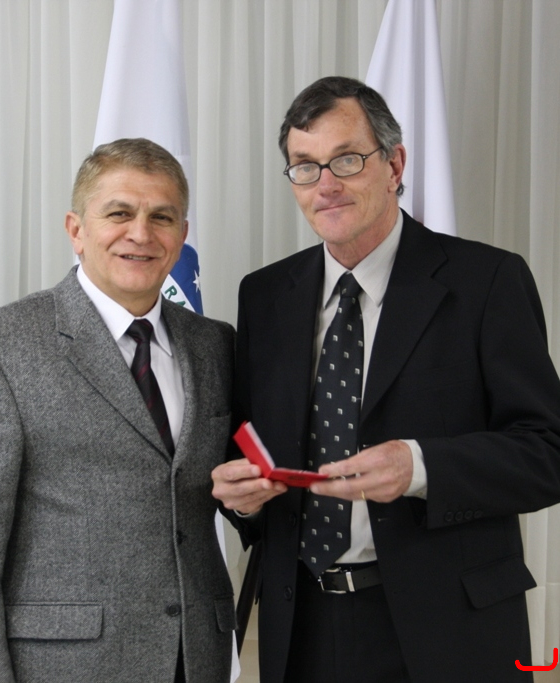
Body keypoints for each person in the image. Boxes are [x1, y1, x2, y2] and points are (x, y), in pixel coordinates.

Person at [212, 76, 560, 683]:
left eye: (347, 159)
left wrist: (420, 468)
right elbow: (255, 450)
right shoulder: (264, 296)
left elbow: (547, 451)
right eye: (305, 166)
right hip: (301, 627)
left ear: (394, 165)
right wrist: (240, 497)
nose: (326, 185)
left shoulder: (487, 281)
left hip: (448, 629)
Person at [0, 138, 237, 682]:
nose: (141, 233)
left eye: (162, 217)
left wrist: (249, 505)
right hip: (62, 666)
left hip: (197, 662)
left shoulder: (215, 345)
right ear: (76, 230)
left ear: (182, 235)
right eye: (119, 213)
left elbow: (227, 492)